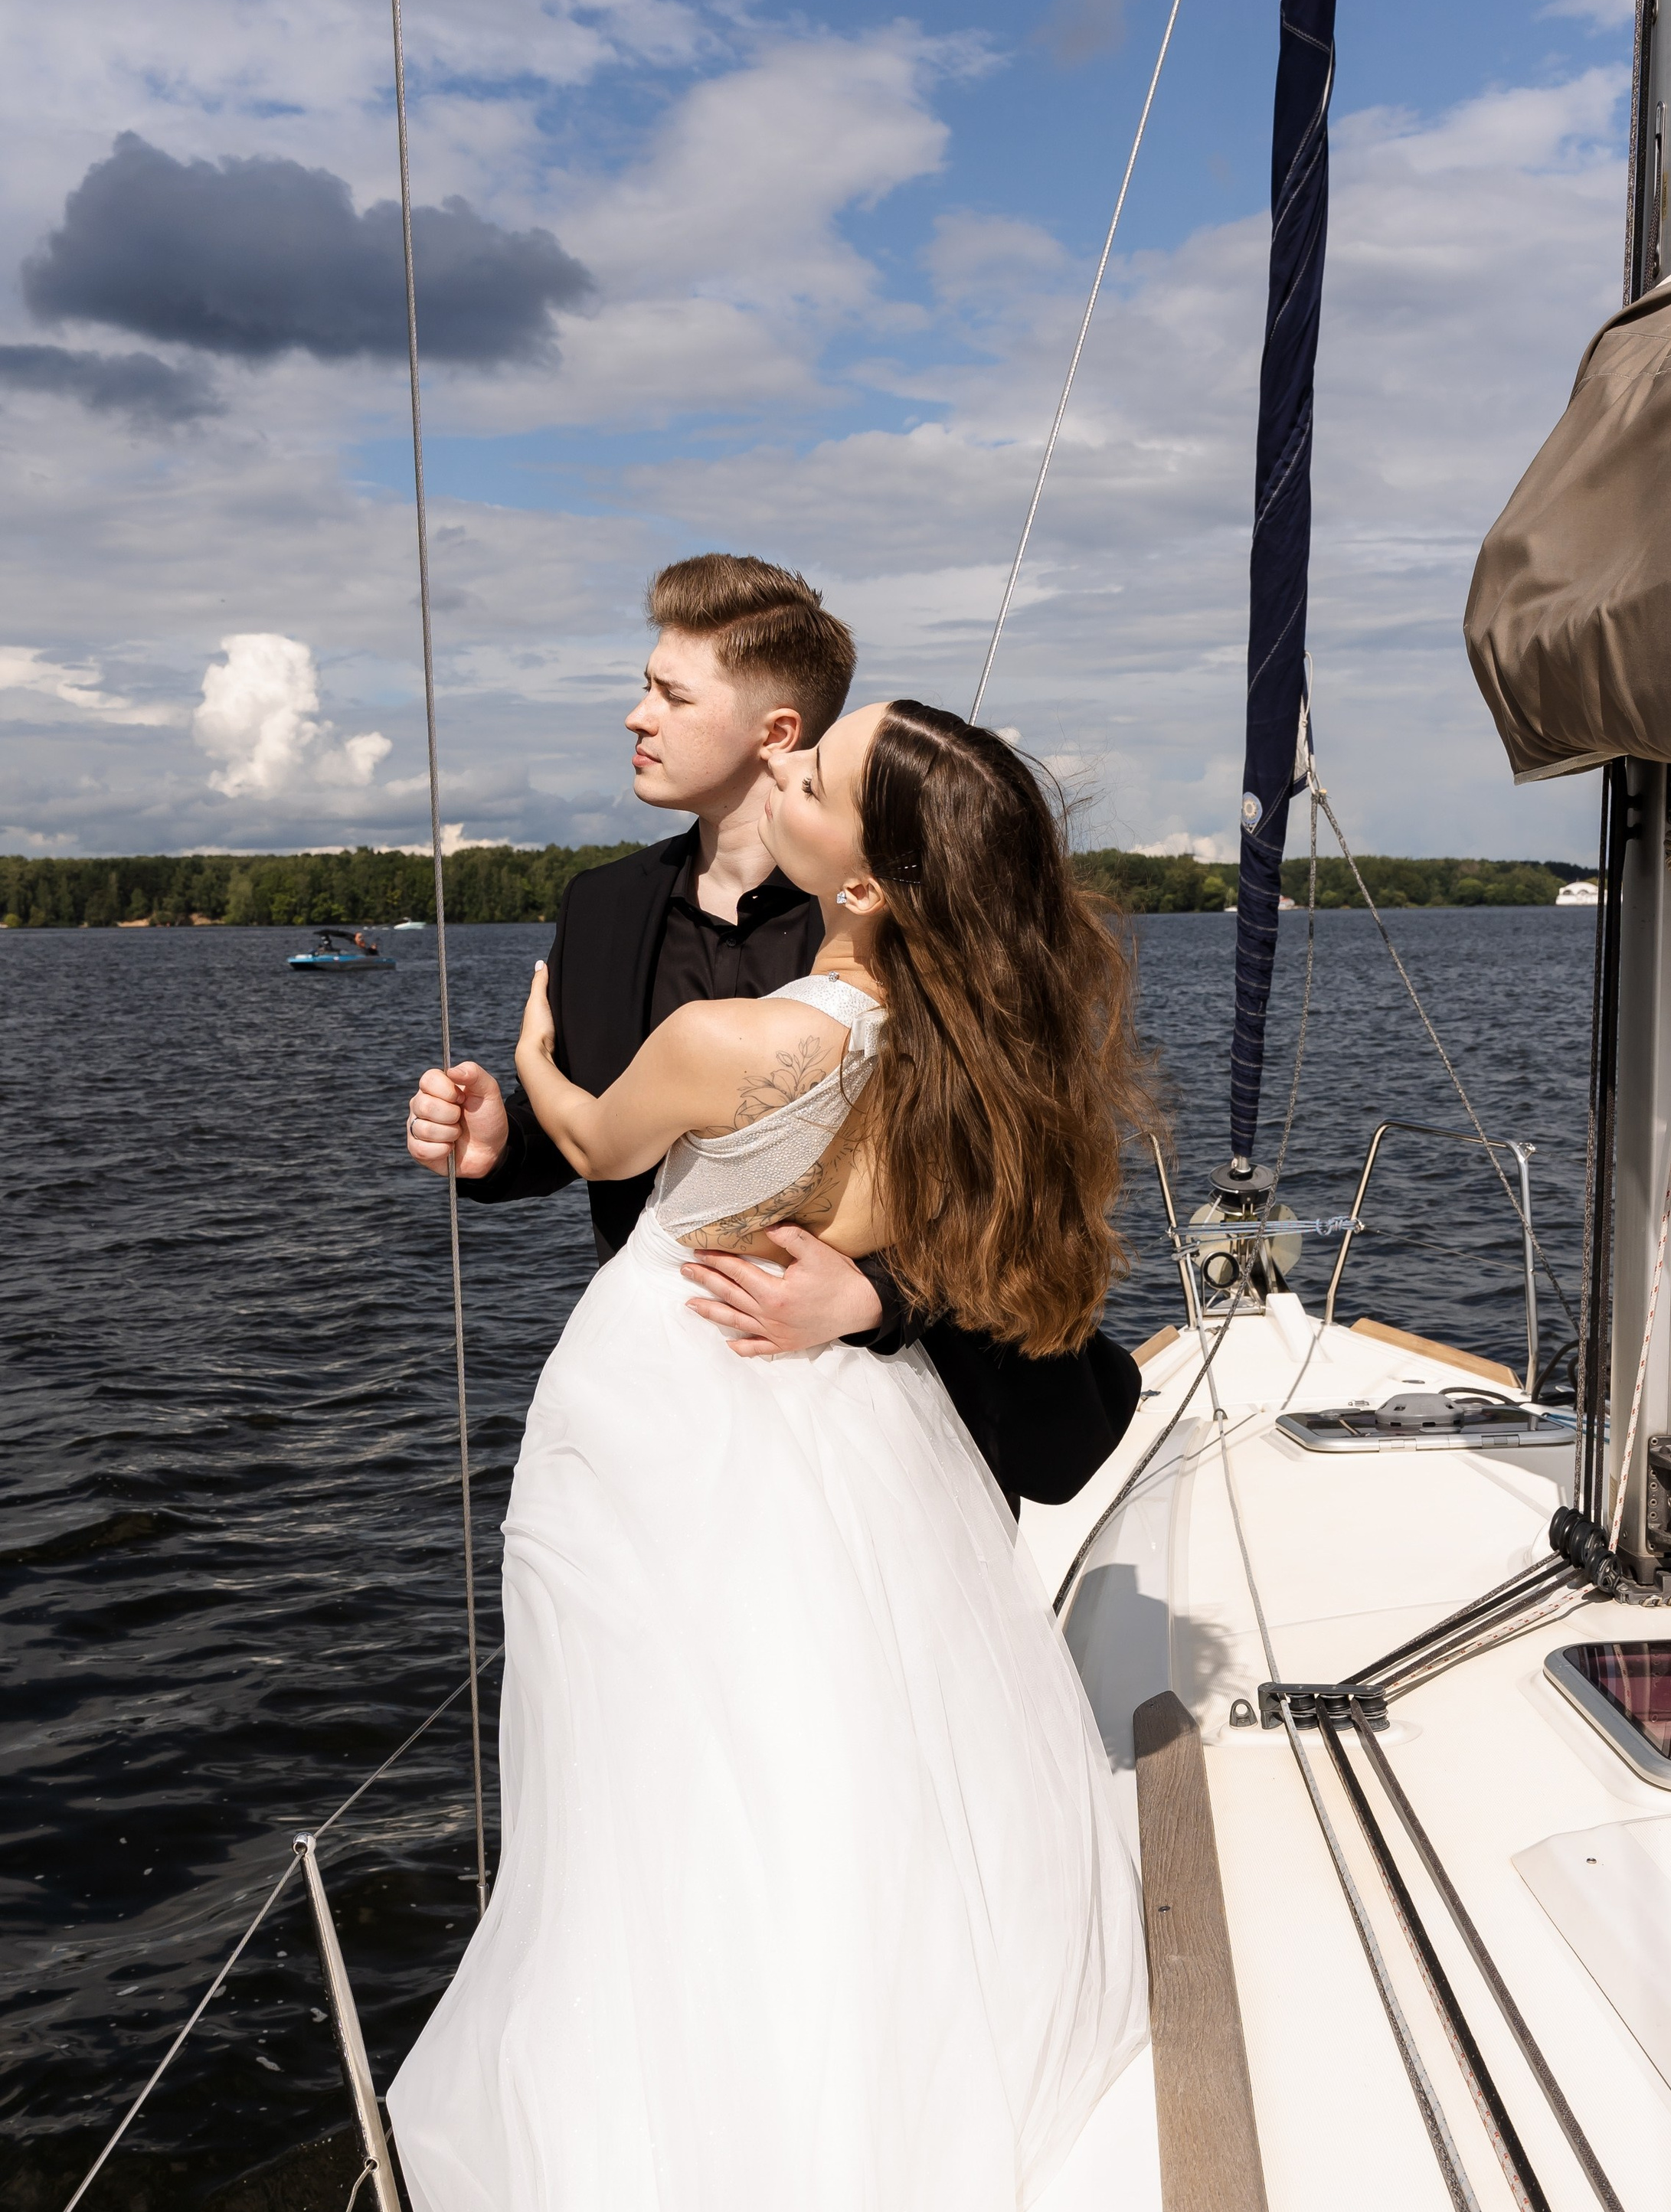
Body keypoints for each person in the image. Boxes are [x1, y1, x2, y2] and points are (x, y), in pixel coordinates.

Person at [388, 695, 1153, 2212]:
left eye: (821, 781)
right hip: (840, 1454)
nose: (783, 786)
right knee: (797, 1816)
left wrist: (533, 1058)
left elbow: (603, 1133)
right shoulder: (966, 1043)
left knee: (653, 1847)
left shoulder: (751, 1043)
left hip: (669, 1447)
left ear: (875, 873)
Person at [405, 553, 1140, 1507]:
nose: (638, 716)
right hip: (670, 1414)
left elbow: (1014, 1169)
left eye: (670, 694)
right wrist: (502, 1145)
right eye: (644, 687)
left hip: (888, 1426)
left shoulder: (919, 935)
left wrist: (875, 1297)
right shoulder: (601, 908)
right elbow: (620, 1140)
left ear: (777, 731)